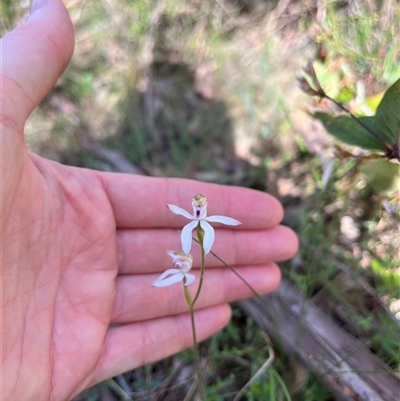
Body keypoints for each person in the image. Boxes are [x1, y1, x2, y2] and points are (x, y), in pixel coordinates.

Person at [1, 1, 298, 400]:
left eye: (197, 210)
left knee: (208, 292)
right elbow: (182, 251)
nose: (195, 210)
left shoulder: (199, 234)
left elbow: (201, 239)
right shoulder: (185, 248)